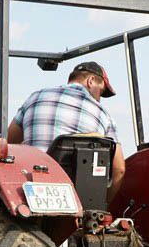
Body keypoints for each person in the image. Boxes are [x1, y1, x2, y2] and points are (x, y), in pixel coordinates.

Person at [7, 60, 126, 203]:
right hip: (77, 198)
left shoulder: (35, 97)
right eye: (100, 92)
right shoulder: (103, 114)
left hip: (29, 189)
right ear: (91, 81)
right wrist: (102, 204)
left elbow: (9, 142)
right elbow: (119, 169)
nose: (99, 99)